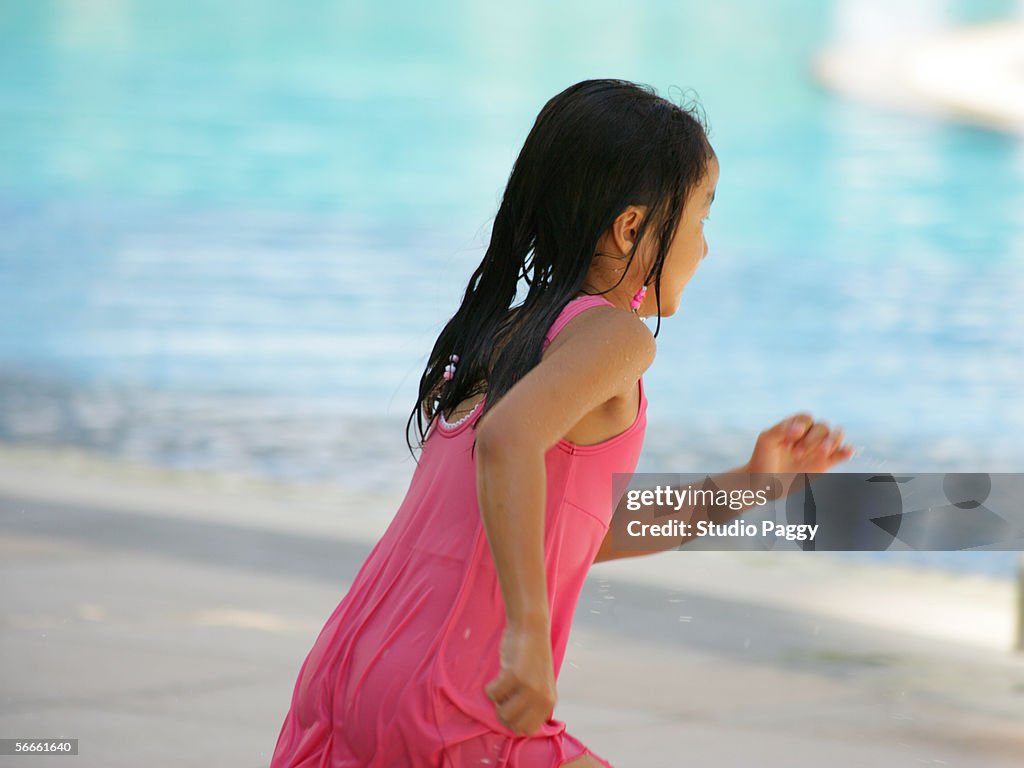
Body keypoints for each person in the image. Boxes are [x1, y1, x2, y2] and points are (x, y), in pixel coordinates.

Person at [268, 78, 854, 767]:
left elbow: (574, 530)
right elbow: (506, 441)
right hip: (455, 691)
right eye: (701, 217)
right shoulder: (618, 337)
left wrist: (750, 485)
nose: (705, 247)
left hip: (354, 670)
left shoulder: (509, 333)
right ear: (633, 227)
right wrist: (529, 632)